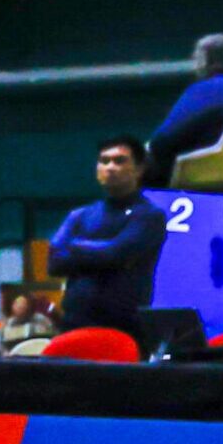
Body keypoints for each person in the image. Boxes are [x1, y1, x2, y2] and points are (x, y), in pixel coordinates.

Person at [49, 136, 164, 336]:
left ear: (139, 169)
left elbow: (116, 254)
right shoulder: (80, 215)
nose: (110, 167)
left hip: (124, 329)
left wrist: (75, 247)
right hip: (74, 324)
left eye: (119, 161)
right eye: (104, 161)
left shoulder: (149, 216)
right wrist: (103, 253)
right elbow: (54, 262)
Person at [147, 34, 223, 186]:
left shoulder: (204, 90)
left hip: (202, 171)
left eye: (196, 58)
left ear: (205, 61)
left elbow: (160, 142)